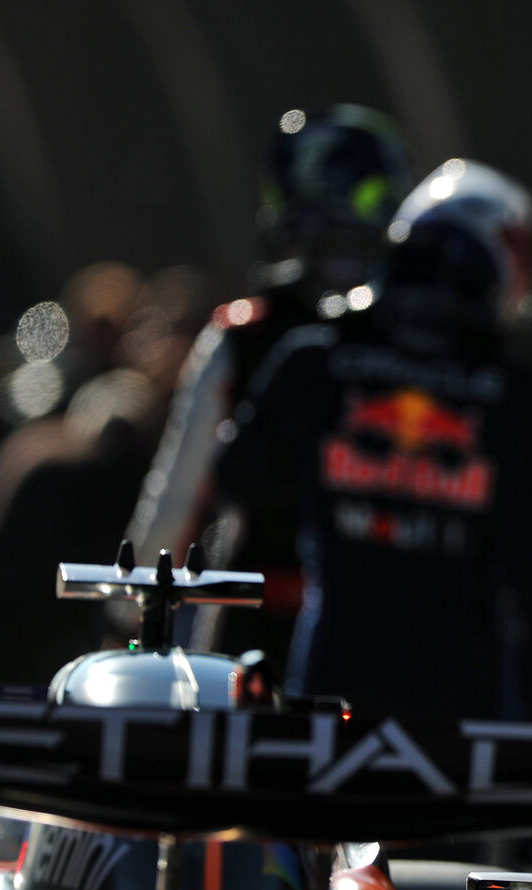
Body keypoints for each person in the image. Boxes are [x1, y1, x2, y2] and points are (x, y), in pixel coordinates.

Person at [212, 158, 532, 722]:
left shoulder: (316, 361)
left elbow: (239, 478)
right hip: (456, 701)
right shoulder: (511, 393)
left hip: (333, 676)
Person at [125, 104, 414, 673]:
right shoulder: (421, 348)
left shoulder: (243, 334)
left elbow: (177, 497)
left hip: (253, 631)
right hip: (385, 637)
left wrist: (126, 624)